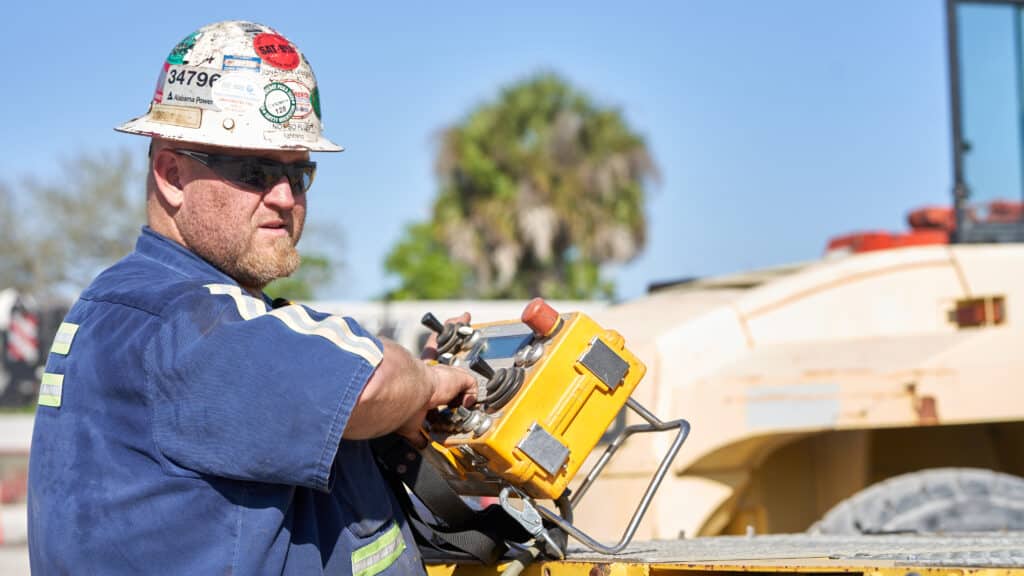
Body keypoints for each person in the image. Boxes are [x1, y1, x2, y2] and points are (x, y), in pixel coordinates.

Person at [27, 20, 477, 575]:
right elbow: (368, 387)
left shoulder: (130, 308)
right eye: (256, 171)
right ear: (170, 174)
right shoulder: (180, 319)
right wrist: (426, 384)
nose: (285, 197)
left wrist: (406, 403)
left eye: (300, 173)